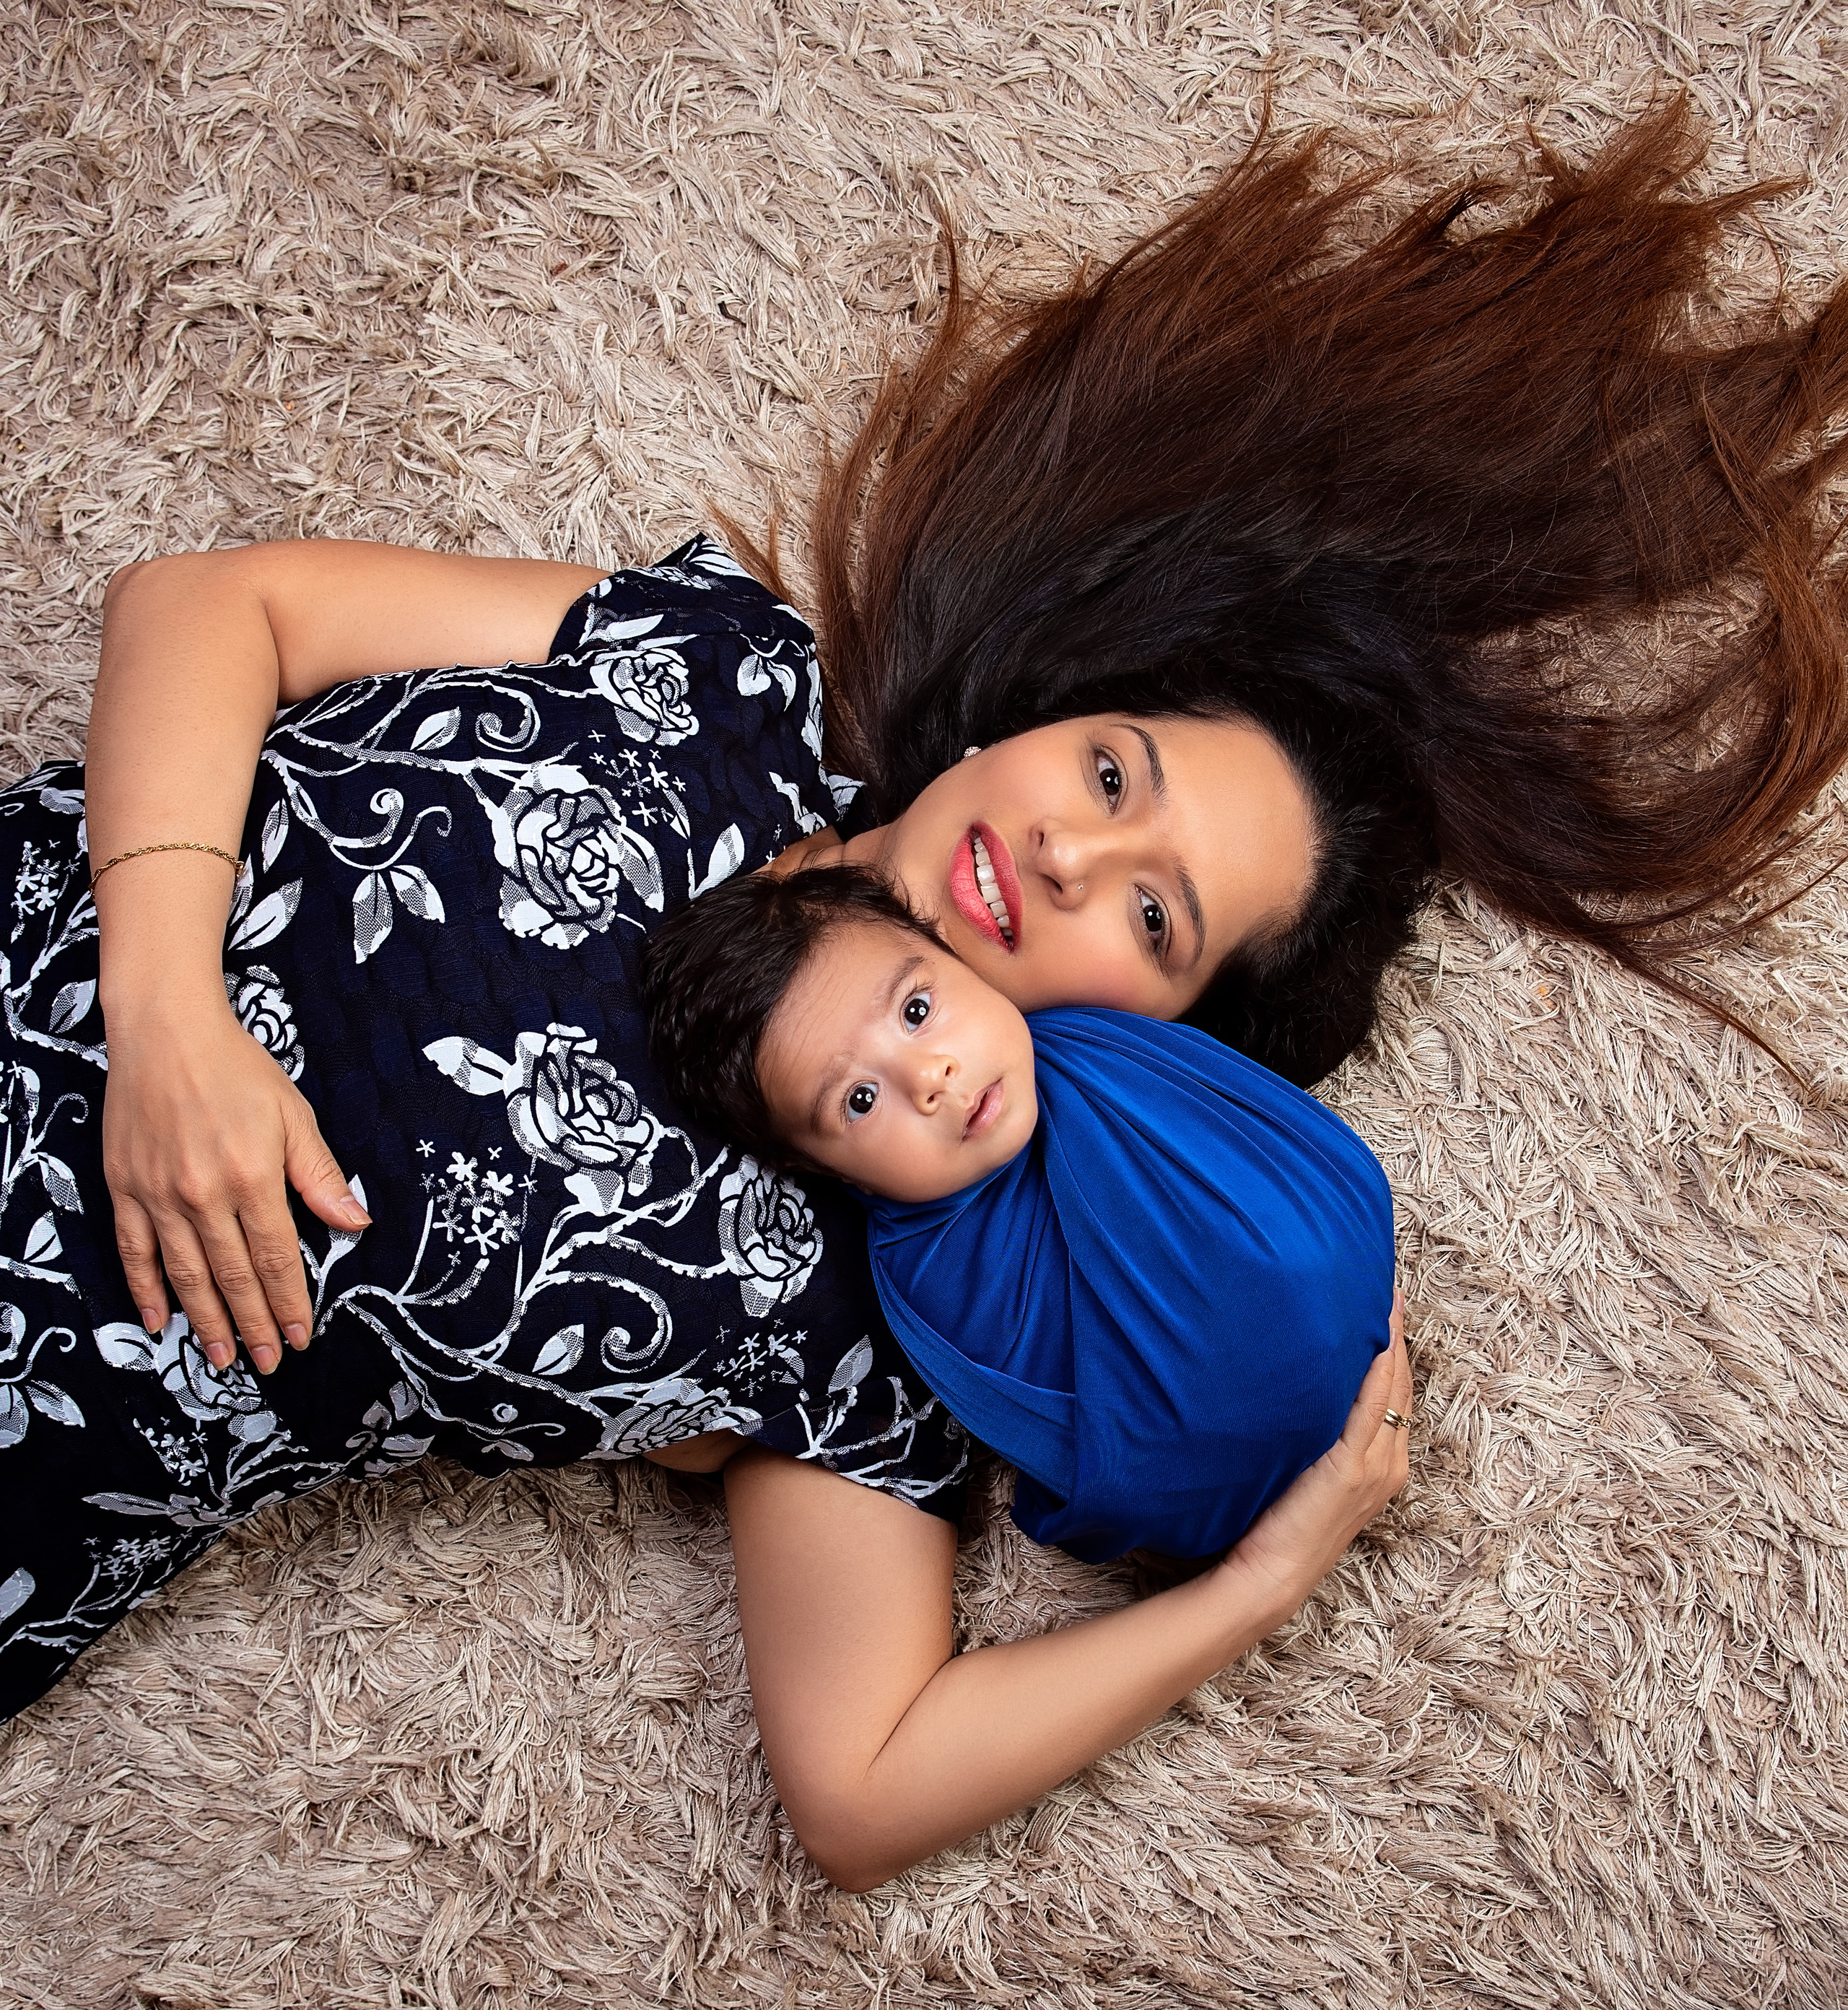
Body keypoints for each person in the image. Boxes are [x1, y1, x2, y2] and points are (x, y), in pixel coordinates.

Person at [1, 103, 1839, 1888]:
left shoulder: (880, 1317)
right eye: (1113, 778)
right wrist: (169, 1018)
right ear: (1066, 710)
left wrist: (1260, 1582)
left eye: (1150, 914)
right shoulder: (719, 674)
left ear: (1142, 1031)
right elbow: (208, 607)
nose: (1064, 854)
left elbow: (861, 1783)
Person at [642, 858, 1397, 1563]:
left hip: (1333, 1272)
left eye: (916, 1009)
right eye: (860, 1100)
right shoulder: (931, 1268)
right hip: (1201, 1469)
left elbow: (1229, 1112)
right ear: (810, 1165)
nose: (931, 1077)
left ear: (949, 951)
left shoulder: (1086, 1035)